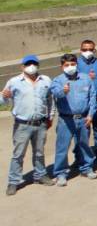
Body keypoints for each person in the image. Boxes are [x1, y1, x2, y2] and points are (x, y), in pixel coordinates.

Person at [2, 55, 54, 196]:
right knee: (18, 154)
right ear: (22, 66)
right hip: (22, 125)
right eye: (28, 64)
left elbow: (50, 100)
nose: (31, 66)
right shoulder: (14, 82)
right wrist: (4, 96)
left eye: (34, 63)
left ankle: (40, 175)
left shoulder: (45, 80)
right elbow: (3, 102)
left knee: (39, 152)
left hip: (41, 123)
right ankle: (13, 181)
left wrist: (51, 116)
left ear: (38, 65)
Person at [51, 54, 97, 186]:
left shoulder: (86, 78)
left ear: (77, 64)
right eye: (66, 65)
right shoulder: (58, 81)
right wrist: (63, 91)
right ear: (62, 67)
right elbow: (55, 94)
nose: (70, 67)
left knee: (84, 144)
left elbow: (92, 97)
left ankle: (86, 168)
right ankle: (61, 173)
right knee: (62, 147)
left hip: (83, 118)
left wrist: (90, 115)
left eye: (72, 64)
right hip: (66, 120)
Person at [76, 39, 97, 161]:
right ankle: (81, 157)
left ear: (94, 50)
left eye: (90, 49)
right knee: (83, 131)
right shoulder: (76, 64)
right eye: (85, 49)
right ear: (80, 50)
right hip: (84, 102)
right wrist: (86, 78)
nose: (88, 51)